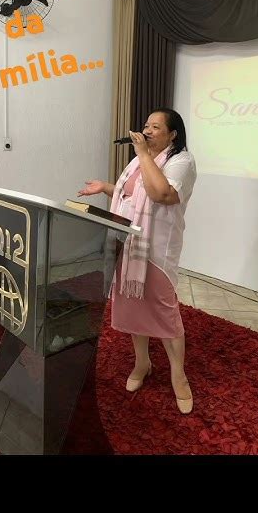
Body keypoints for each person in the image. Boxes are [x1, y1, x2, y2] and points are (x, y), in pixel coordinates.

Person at [78, 108, 197, 414]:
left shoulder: (180, 161)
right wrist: (106, 188)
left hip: (156, 250)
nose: (147, 131)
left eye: (156, 127)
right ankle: (142, 363)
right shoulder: (138, 162)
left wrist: (143, 153)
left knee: (164, 311)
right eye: (146, 125)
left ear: (173, 134)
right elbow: (130, 198)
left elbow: (161, 194)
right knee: (134, 306)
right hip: (128, 246)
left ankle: (179, 376)